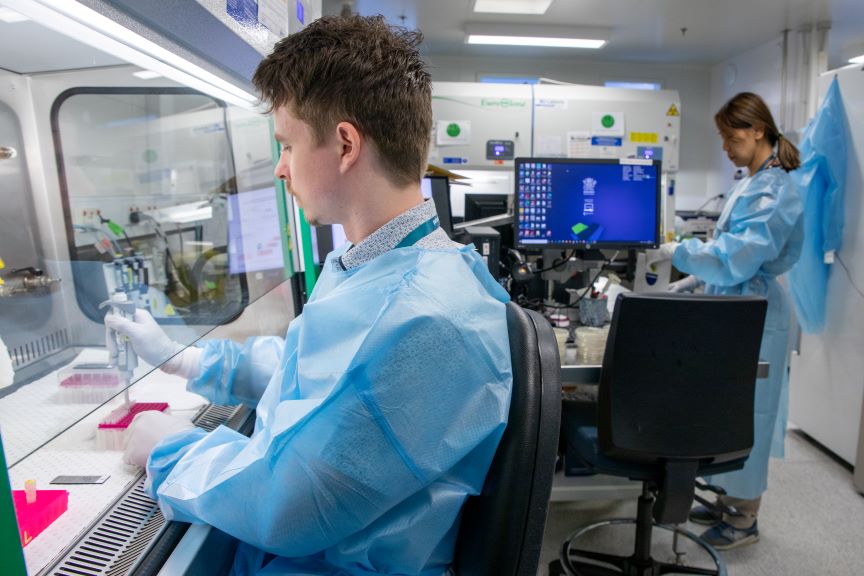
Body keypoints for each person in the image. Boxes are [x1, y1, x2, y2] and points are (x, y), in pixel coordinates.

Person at [106, 15, 512, 576]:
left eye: (287, 144)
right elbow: (319, 372)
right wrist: (191, 361)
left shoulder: (424, 317)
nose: (279, 168)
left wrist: (172, 449)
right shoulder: (381, 266)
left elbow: (290, 506)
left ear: (345, 144)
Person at [653, 92, 804, 550]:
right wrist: (687, 286)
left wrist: (678, 254)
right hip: (734, 307)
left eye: (729, 135)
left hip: (755, 316)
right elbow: (730, 256)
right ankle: (726, 498)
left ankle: (744, 520)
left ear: (757, 129)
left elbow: (737, 258)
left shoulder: (777, 188)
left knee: (749, 414)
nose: (724, 146)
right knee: (724, 408)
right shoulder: (754, 180)